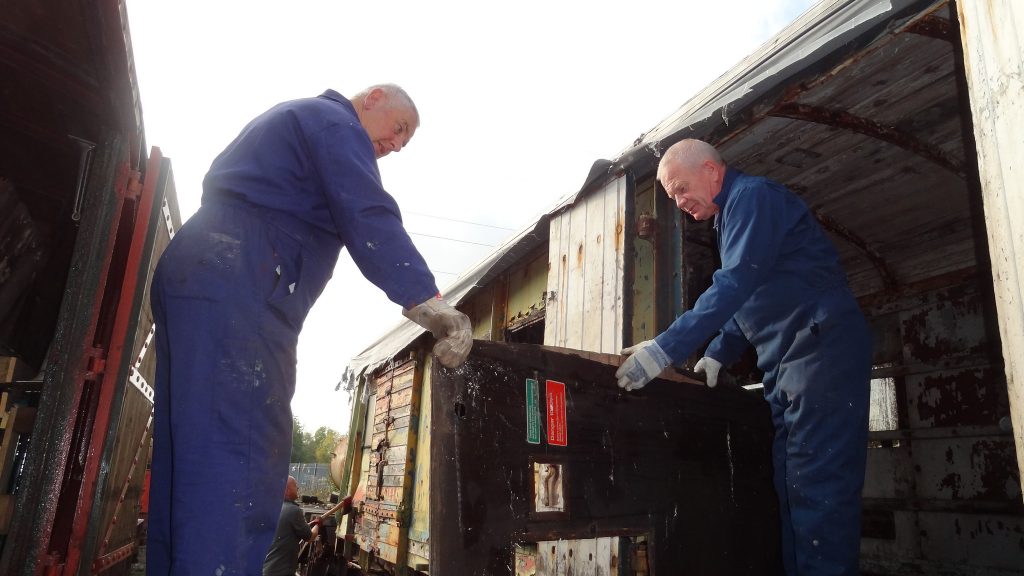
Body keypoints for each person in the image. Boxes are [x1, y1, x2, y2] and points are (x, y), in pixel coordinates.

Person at [147, 84, 473, 575]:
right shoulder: (335, 123)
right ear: (373, 98)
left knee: (190, 457)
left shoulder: (298, 124)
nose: (395, 145)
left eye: (403, 144)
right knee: (242, 452)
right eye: (399, 129)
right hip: (243, 280)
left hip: (208, 271)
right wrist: (430, 302)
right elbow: (367, 211)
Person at [616, 139, 871, 575]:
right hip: (787, 364)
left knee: (818, 492)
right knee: (790, 488)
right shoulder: (728, 219)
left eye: (680, 189)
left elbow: (735, 283)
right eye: (672, 197)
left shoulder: (754, 198)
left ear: (711, 170)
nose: (679, 203)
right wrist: (719, 352)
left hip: (820, 349)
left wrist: (664, 349)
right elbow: (750, 295)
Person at [263, 476, 317, 576]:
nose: (297, 488)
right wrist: (318, 524)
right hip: (281, 572)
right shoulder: (293, 510)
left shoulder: (273, 509)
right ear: (286, 490)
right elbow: (310, 537)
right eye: (295, 485)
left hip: (267, 570)